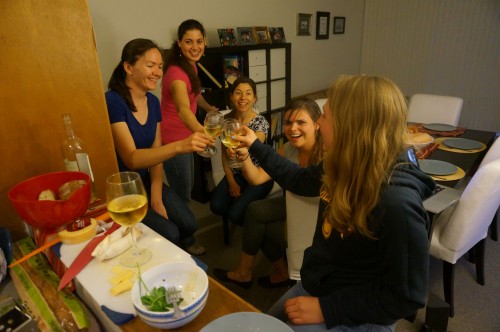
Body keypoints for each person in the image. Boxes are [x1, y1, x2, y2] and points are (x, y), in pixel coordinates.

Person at [235, 75, 434, 331]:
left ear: (350, 126)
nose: (317, 123)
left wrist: (328, 309)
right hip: (319, 283)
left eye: (324, 117)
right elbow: (297, 179)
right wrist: (255, 145)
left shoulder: (396, 204)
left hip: (357, 311)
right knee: (262, 326)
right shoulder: (341, 164)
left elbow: (406, 297)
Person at [105, 38, 212, 256]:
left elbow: (155, 152)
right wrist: (180, 146)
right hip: (123, 188)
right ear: (128, 67)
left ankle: (170, 253)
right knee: (171, 232)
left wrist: (156, 192)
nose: (157, 72)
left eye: (160, 66)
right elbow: (132, 159)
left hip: (145, 180)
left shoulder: (152, 102)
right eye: (150, 65)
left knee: (190, 223)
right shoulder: (113, 101)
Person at [213, 97, 323, 289]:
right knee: (254, 212)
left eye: (301, 122)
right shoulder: (288, 149)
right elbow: (256, 178)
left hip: (317, 211)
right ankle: (257, 272)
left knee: (261, 222)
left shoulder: (326, 152)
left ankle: (249, 273)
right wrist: (245, 154)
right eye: (288, 122)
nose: (293, 128)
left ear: (317, 125)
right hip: (292, 203)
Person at [161, 19, 218, 206]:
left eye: (199, 41)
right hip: (174, 139)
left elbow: (195, 94)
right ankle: (183, 233)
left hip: (188, 135)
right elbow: (183, 108)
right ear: (179, 43)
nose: (195, 47)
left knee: (189, 187)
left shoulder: (190, 64)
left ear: (204, 42)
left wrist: (208, 108)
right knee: (182, 195)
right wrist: (202, 131)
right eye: (188, 41)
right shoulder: (177, 74)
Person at [210, 76, 274, 228]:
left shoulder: (260, 122)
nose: (243, 97)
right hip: (237, 174)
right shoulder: (226, 120)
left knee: (235, 214)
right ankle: (245, 213)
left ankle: (257, 226)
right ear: (232, 96)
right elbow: (225, 154)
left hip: (259, 175)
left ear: (254, 98)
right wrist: (231, 181)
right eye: (238, 93)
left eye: (248, 93)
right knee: (216, 206)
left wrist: (237, 148)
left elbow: (254, 143)